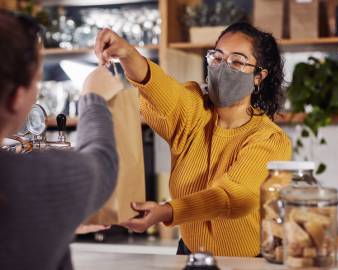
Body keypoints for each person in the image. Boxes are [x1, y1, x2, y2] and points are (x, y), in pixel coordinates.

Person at [95, 22, 292, 257]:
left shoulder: (269, 139)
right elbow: (161, 90)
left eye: (237, 62)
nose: (222, 68)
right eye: (217, 58)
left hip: (245, 263)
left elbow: (233, 197)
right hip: (188, 256)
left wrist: (168, 211)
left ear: (259, 76)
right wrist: (127, 53)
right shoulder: (195, 111)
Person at [0, 10, 120, 270]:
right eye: (37, 80)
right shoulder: (38, 177)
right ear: (17, 97)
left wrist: (54, 220)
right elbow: (101, 161)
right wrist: (93, 96)